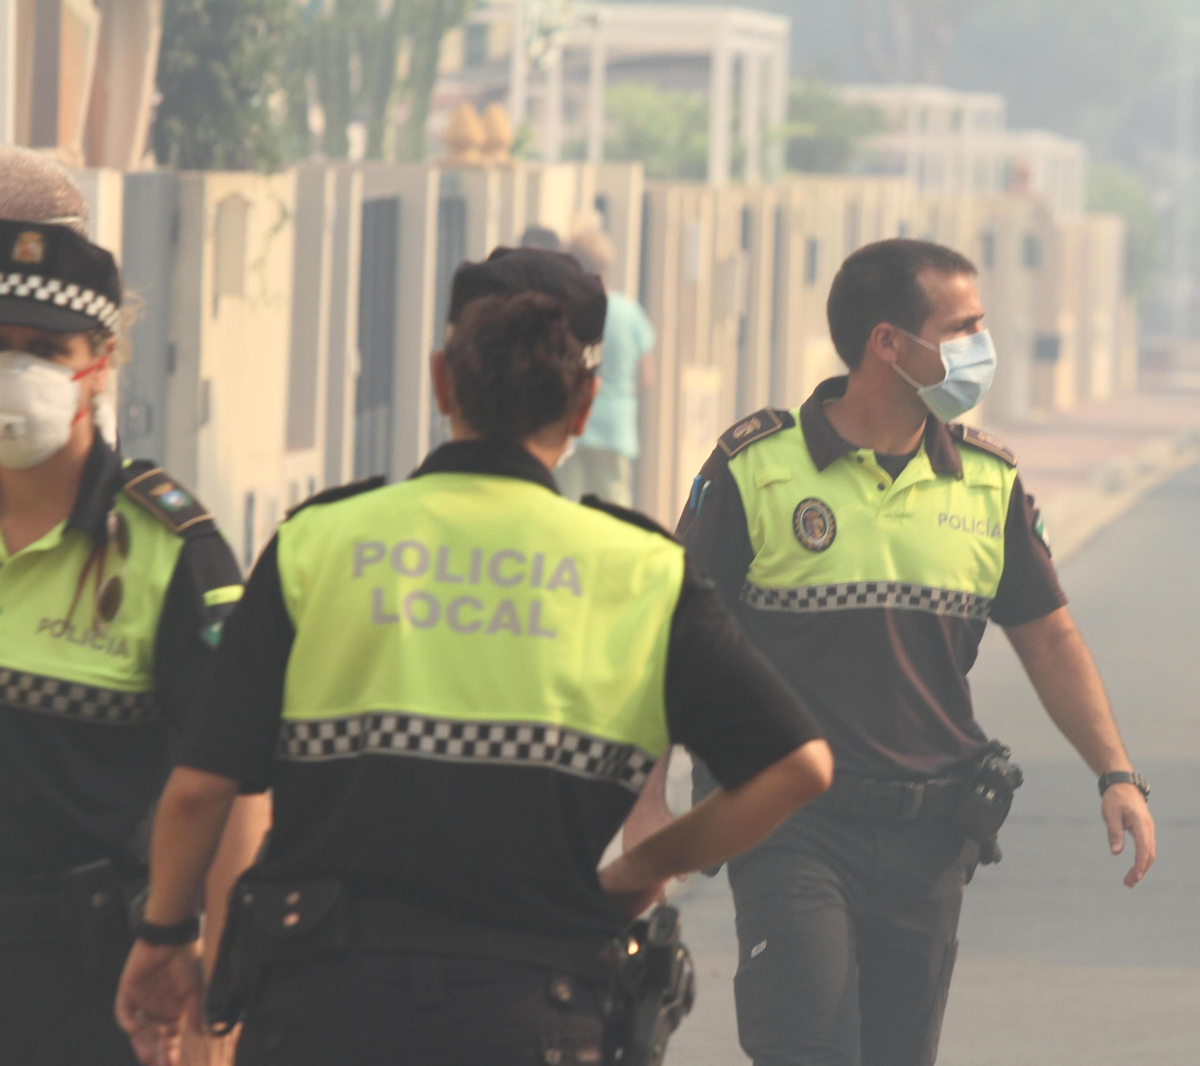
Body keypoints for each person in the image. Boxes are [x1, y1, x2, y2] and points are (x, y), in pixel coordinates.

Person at [113, 247, 833, 1066]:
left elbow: (204, 785)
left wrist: (165, 936)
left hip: (320, 1008)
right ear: (587, 400)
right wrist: (639, 867)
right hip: (535, 1011)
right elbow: (797, 766)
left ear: (439, 381)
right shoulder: (638, 569)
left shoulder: (322, 539)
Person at [627, 239, 1157, 1066]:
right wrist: (648, 798)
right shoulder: (756, 467)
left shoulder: (988, 482)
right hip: (785, 825)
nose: (982, 348)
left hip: (930, 833)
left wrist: (1115, 773)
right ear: (889, 343)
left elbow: (1048, 634)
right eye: (964, 327)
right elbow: (671, 635)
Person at [0, 148, 260, 1066]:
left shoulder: (170, 550)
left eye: (40, 352)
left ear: (99, 362)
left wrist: (217, 1008)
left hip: (93, 978)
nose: (13, 372)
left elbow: (233, 790)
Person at [559, 228, 655, 506]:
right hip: (616, 426)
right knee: (613, 508)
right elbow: (647, 377)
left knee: (569, 507)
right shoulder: (630, 313)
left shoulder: (565, 310)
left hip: (571, 421)